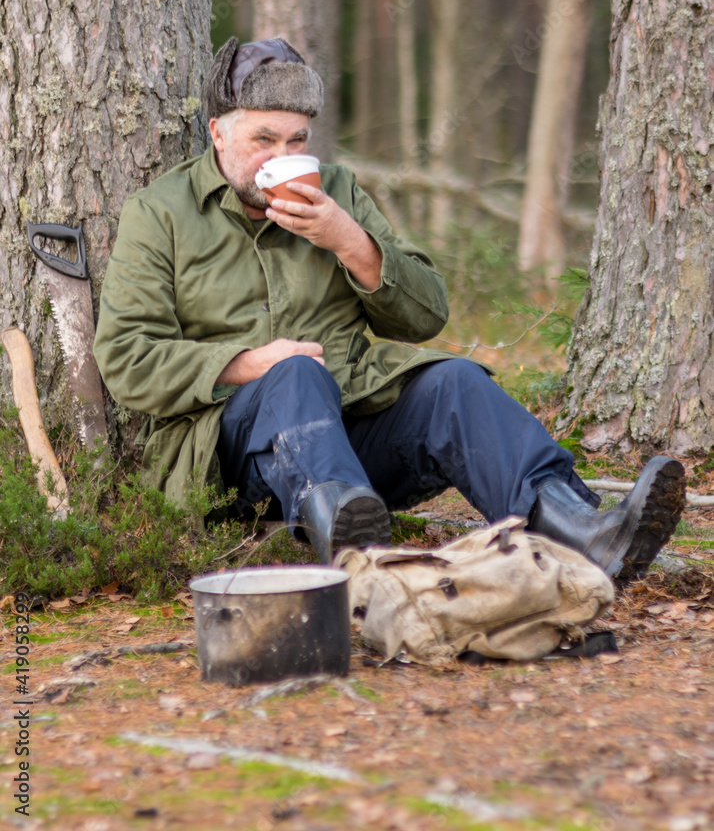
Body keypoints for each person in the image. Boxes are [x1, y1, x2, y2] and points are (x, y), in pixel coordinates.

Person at [94, 37, 686, 579]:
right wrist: (250, 363)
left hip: (352, 434)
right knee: (294, 374)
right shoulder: (161, 213)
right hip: (235, 461)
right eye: (264, 140)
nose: (282, 155)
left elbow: (427, 314)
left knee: (454, 382)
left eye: (296, 141)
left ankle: (582, 531)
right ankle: (363, 563)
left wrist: (349, 241)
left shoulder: (338, 193)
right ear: (219, 132)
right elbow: (125, 360)